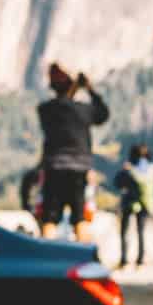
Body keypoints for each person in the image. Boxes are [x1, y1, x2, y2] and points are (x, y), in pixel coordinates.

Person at [36, 63, 109, 241]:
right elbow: (103, 114)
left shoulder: (45, 110)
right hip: (79, 169)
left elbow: (63, 104)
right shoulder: (83, 110)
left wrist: (72, 87)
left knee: (49, 218)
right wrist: (89, 88)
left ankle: (46, 256)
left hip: (54, 168)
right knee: (79, 216)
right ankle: (82, 257)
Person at [115, 144, 153, 268]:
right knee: (139, 231)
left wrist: (128, 171)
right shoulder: (152, 168)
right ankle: (137, 259)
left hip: (132, 201)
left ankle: (126, 260)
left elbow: (118, 183)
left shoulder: (131, 168)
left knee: (127, 231)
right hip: (144, 202)